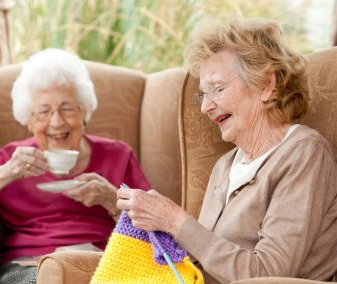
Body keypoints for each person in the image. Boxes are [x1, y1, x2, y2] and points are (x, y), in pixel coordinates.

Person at [117, 18, 337, 283]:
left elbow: (268, 274)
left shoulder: (303, 153)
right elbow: (202, 262)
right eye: (203, 94)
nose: (205, 107)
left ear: (267, 84)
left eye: (218, 89)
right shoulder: (225, 166)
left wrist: (174, 219)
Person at [0, 48, 150, 284]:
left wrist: (111, 199)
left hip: (103, 263)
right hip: (29, 267)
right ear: (28, 121)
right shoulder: (12, 158)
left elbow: (154, 230)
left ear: (84, 114)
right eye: (43, 111)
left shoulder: (118, 155)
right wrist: (7, 172)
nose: (56, 122)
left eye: (67, 108)